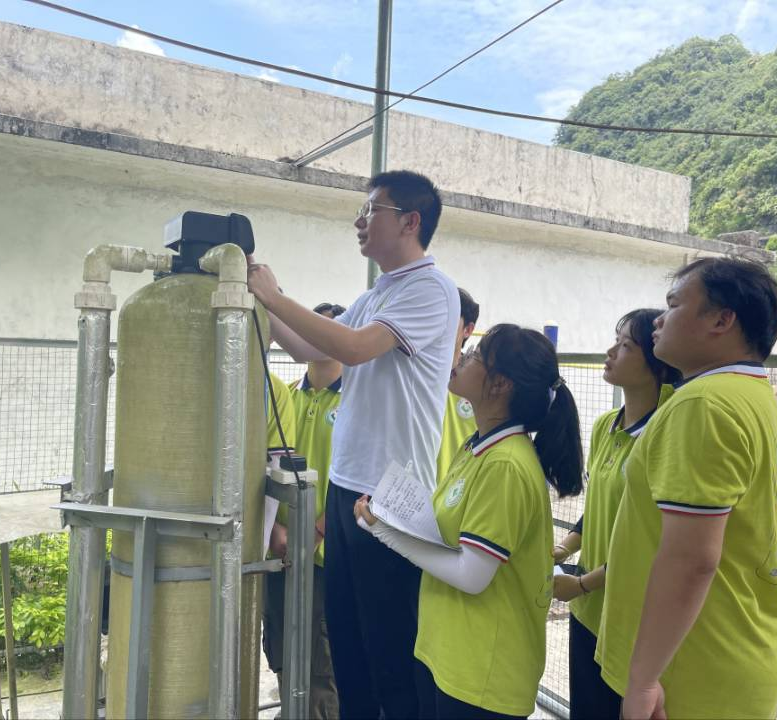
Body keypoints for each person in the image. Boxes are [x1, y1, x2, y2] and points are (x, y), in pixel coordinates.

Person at [247, 170, 459, 719]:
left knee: (389, 649)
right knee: (348, 645)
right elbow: (308, 348)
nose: (359, 221)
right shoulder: (377, 293)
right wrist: (260, 301)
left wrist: (275, 295)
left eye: (372, 211)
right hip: (347, 488)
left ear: (410, 221)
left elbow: (356, 348)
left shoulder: (431, 289)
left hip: (390, 492)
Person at [355, 324, 584, 719]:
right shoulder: (478, 446)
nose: (462, 356)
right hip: (447, 652)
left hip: (483, 675)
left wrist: (386, 532)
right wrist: (391, 513)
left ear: (500, 385)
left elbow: (472, 575)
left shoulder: (505, 464)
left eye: (477, 354)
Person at [596, 257, 777, 719]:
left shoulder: (704, 403)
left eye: (673, 305)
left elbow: (691, 560)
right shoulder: (749, 395)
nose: (658, 320)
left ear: (721, 320)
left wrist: (643, 680)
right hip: (729, 653)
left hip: (691, 670)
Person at [551, 309, 681, 719]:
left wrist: (582, 583)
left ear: (659, 363)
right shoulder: (606, 424)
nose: (610, 352)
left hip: (632, 615)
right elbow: (599, 508)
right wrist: (563, 549)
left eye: (626, 346)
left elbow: (654, 542)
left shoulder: (667, 431)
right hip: (589, 610)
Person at [263, 302, 346, 720]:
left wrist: (316, 531)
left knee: (321, 662)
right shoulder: (287, 396)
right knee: (281, 648)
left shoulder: (355, 400)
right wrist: (274, 532)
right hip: (281, 552)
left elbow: (359, 476)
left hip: (325, 557)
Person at [436, 288, 480, 483]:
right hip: (406, 493)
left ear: (467, 330)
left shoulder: (478, 386)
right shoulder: (409, 375)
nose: (435, 324)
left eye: (446, 317)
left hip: (454, 495)